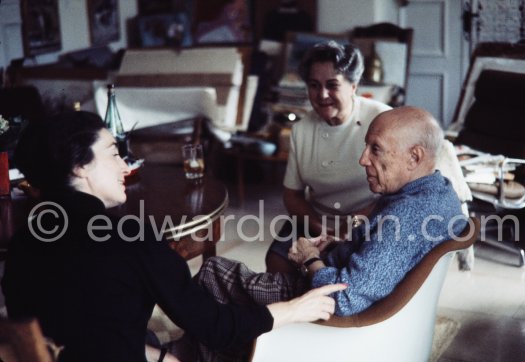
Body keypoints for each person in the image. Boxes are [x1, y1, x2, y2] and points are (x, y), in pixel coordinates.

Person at [0, 111, 345, 362]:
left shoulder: (22, 241)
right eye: (114, 154)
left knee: (154, 343)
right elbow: (216, 326)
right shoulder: (130, 236)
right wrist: (296, 308)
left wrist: (158, 356)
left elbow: (80, 326)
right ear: (80, 166)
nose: (126, 165)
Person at [196, 106, 468, 319]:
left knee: (212, 272)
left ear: (415, 157)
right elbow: (386, 254)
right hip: (339, 274)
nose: (363, 159)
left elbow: (343, 300)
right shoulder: (440, 190)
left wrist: (310, 258)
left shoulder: (407, 216)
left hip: (314, 301)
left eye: (376, 149)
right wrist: (342, 242)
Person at [265, 40, 392, 273]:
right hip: (317, 219)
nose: (322, 95)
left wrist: (354, 224)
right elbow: (292, 195)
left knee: (346, 269)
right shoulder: (301, 130)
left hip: (370, 218)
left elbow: (400, 189)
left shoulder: (382, 119)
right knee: (277, 262)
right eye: (314, 85)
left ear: (353, 86)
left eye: (332, 85)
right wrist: (320, 228)